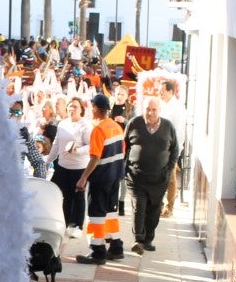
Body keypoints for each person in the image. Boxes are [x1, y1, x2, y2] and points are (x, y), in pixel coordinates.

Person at [74, 94, 126, 265]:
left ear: (96, 108)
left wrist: (83, 178)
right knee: (111, 213)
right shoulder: (116, 127)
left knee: (96, 214)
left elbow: (95, 157)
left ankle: (98, 250)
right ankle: (116, 247)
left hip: (101, 178)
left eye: (91, 107)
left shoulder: (99, 130)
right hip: (114, 177)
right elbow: (121, 152)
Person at [123, 96, 178, 255]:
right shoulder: (134, 123)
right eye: (148, 109)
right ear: (143, 109)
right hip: (136, 176)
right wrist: (126, 168)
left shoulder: (168, 126)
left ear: (159, 111)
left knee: (154, 210)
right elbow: (124, 146)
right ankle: (138, 239)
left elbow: (174, 149)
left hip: (159, 178)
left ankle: (148, 239)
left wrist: (169, 169)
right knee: (138, 207)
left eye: (154, 110)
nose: (151, 113)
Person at [46, 97, 91, 238]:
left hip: (79, 166)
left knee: (78, 195)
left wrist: (78, 150)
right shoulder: (62, 124)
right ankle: (64, 222)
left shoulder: (86, 126)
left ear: (81, 110)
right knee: (62, 195)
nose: (72, 109)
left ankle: (78, 224)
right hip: (63, 165)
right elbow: (56, 143)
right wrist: (49, 159)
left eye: (75, 107)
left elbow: (91, 146)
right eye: (70, 106)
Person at [157, 80, 185, 217]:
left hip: (171, 148)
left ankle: (170, 207)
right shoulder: (160, 105)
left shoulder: (178, 108)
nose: (160, 93)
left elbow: (180, 132)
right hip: (158, 148)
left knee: (171, 179)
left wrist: (176, 152)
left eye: (162, 91)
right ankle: (159, 205)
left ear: (170, 91)